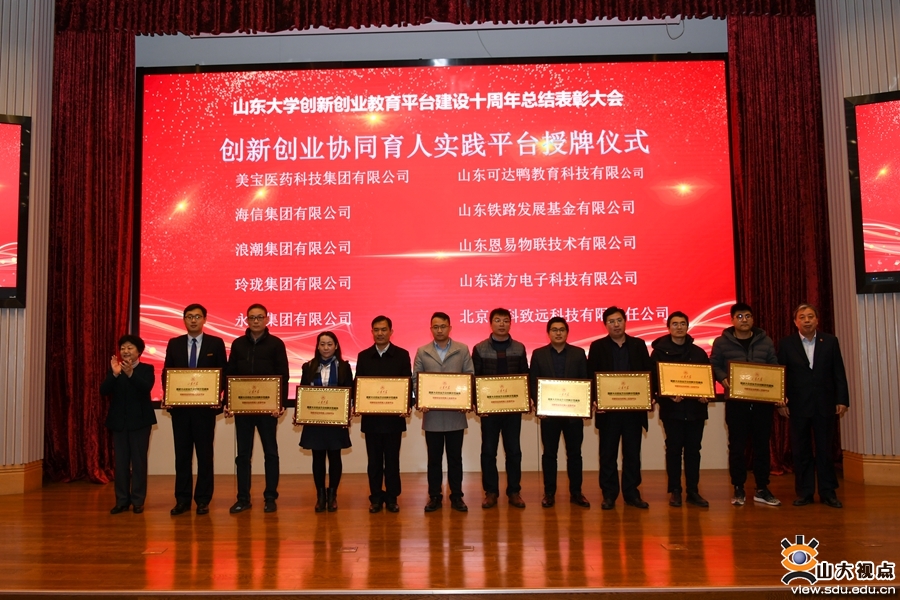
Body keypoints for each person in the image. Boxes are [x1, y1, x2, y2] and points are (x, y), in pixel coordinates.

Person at [777, 303, 849, 508]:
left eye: (810, 316)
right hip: (797, 406)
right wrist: (780, 400)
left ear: (817, 320)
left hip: (825, 404)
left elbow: (838, 372)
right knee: (801, 451)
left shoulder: (830, 341)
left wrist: (842, 399)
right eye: (802, 317)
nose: (807, 320)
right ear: (795, 322)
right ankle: (805, 492)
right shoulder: (786, 344)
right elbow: (781, 374)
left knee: (825, 450)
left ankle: (828, 492)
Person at [710, 302, 781, 507]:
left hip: (761, 403)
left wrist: (777, 388)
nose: (744, 320)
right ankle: (738, 487)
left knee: (762, 446)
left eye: (748, 316)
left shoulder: (765, 340)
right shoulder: (721, 342)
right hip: (736, 404)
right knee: (737, 447)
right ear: (732, 320)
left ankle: (762, 488)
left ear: (752, 319)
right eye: (739, 316)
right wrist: (723, 378)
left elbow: (774, 365)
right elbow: (714, 364)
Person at [162, 303, 228, 516]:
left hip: (204, 411)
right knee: (182, 456)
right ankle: (182, 500)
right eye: (189, 316)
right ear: (184, 319)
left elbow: (223, 373)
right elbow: (167, 373)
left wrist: (219, 398)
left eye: (197, 316)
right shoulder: (174, 343)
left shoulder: (215, 343)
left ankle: (203, 499)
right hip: (181, 411)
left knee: (205, 456)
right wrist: (169, 396)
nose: (193, 320)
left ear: (204, 319)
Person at [588, 306, 654, 510]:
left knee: (632, 454)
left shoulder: (638, 345)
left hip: (633, 411)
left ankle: (631, 494)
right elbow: (591, 376)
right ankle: (609, 495)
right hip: (608, 412)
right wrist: (594, 400)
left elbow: (648, 373)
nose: (616, 325)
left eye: (619, 320)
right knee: (607, 454)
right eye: (611, 321)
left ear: (625, 322)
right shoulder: (597, 346)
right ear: (605, 325)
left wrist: (650, 397)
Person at [226, 303, 290, 514]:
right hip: (243, 409)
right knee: (243, 455)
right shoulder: (238, 344)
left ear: (266, 319)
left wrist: (280, 403)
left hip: (267, 409)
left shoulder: (276, 344)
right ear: (246, 320)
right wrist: (229, 402)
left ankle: (270, 497)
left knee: (270, 453)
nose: (255, 321)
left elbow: (283, 375)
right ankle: (243, 498)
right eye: (252, 317)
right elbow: (230, 374)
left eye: (259, 317)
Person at [413, 312, 475, 513]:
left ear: (450, 327)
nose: (439, 330)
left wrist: (466, 399)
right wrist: (421, 399)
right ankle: (434, 496)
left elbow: (469, 376)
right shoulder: (422, 351)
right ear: (431, 329)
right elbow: (416, 380)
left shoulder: (462, 349)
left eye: (443, 326)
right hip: (432, 415)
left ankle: (457, 496)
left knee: (455, 459)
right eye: (435, 327)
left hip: (455, 414)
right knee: (434, 460)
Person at [650, 311, 712, 508]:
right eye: (675, 324)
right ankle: (675, 490)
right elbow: (653, 381)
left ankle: (693, 491)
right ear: (668, 327)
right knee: (674, 450)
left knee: (694, 451)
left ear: (688, 326)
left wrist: (706, 394)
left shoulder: (699, 352)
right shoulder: (659, 353)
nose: (679, 327)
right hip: (672, 410)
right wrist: (667, 395)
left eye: (683, 323)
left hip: (695, 410)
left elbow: (707, 379)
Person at [529, 317, 591, 508]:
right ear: (548, 333)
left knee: (575, 455)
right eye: (554, 330)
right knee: (549, 454)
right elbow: (533, 382)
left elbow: (585, 381)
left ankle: (576, 493)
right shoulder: (539, 354)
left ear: (567, 332)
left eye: (562, 329)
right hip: (549, 416)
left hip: (573, 415)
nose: (558, 333)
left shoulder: (578, 353)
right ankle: (549, 493)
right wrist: (539, 406)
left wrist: (585, 405)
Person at [472, 308, 529, 509]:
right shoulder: (479, 348)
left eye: (505, 320)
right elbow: (475, 378)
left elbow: (524, 376)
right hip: (490, 411)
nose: (502, 324)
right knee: (488, 451)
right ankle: (491, 492)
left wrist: (526, 400)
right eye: (497, 320)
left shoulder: (519, 348)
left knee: (514, 451)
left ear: (510, 323)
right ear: (491, 323)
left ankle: (514, 491)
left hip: (512, 410)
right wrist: (478, 403)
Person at [356, 315, 412, 514]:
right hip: (371, 420)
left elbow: (408, 384)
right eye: (376, 330)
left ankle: (392, 497)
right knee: (374, 462)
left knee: (392, 460)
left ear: (391, 332)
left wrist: (406, 405)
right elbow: (358, 385)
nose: (380, 333)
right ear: (372, 332)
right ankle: (376, 498)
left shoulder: (402, 355)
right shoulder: (364, 356)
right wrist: (358, 404)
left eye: (384, 329)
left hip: (393, 420)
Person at [101, 334, 156, 514]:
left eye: (130, 348)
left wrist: (131, 374)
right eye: (123, 348)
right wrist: (114, 374)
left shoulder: (147, 369)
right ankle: (122, 501)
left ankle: (138, 501)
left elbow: (146, 388)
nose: (125, 351)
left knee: (139, 463)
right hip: (119, 424)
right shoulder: (115, 370)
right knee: (121, 463)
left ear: (139, 351)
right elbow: (103, 390)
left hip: (140, 423)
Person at [299, 331, 353, 512]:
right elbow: (303, 393)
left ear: (336, 346)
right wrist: (300, 412)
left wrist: (348, 412)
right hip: (315, 419)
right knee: (318, 457)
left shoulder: (344, 367)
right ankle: (320, 496)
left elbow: (350, 392)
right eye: (322, 344)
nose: (326, 348)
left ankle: (333, 495)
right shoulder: (308, 366)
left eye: (329, 344)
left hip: (336, 420)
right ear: (317, 346)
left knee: (335, 457)